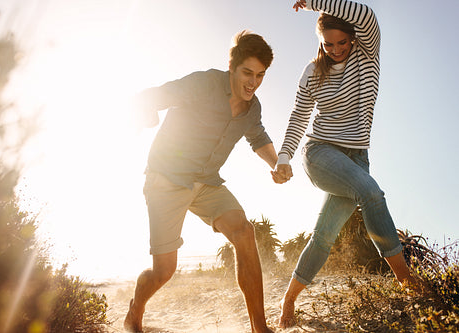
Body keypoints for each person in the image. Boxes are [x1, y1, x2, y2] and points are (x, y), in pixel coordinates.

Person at [272, 0, 416, 328]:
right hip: (320, 153)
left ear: (353, 38)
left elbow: (365, 14)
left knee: (324, 235)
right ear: (320, 42)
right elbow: (299, 116)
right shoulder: (312, 71)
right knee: (372, 193)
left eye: (342, 42)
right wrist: (284, 157)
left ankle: (288, 299)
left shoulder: (366, 56)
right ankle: (408, 283)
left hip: (357, 158)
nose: (336, 49)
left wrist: (313, 2)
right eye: (328, 44)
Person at [124, 31, 276, 333]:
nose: (253, 82)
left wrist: (277, 164)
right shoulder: (204, 83)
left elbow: (257, 137)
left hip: (207, 182)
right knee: (164, 271)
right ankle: (135, 309)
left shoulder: (252, 107)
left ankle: (260, 329)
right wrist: (145, 115)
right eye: (247, 72)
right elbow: (154, 96)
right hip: (167, 179)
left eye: (260, 75)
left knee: (245, 232)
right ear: (232, 67)